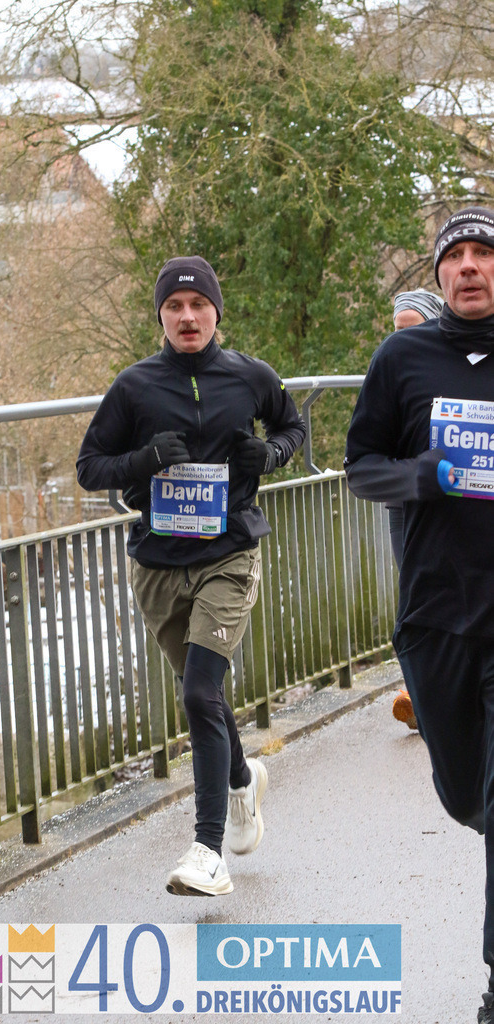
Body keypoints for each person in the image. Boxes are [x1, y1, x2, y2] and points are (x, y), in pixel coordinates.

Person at [76, 256, 306, 897]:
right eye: (174, 308)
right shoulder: (135, 386)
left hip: (229, 551)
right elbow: (91, 467)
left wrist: (274, 452)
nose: (187, 317)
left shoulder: (250, 377)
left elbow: (292, 426)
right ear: (160, 317)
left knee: (200, 692)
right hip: (157, 563)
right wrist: (146, 460)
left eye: (198, 305)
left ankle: (207, 851)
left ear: (215, 313)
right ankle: (242, 777)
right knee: (200, 693)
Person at [344, 207, 494, 1024]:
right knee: (463, 796)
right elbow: (359, 469)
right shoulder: (401, 358)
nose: (469, 266)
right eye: (455, 256)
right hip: (434, 611)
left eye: (482, 253)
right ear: (438, 276)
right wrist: (418, 478)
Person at [388, 289, 445, 732]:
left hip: (452, 508)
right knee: (413, 594)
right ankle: (418, 692)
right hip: (403, 505)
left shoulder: (456, 370)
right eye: (397, 329)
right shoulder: (387, 373)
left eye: (413, 327)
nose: (403, 337)